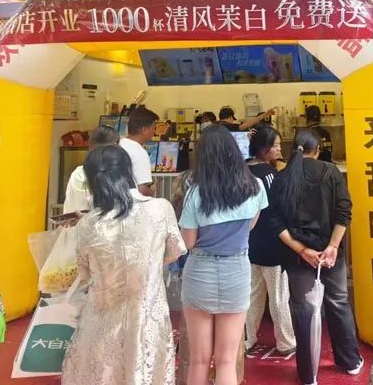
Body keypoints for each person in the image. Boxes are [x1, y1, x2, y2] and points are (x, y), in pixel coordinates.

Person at [62, 145, 186, 384]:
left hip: (100, 322)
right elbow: (174, 252)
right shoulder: (160, 208)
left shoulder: (88, 223)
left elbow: (84, 272)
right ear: (128, 171)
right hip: (147, 318)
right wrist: (147, 264)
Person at [268, 130, 362, 385]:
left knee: (304, 310)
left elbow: (274, 221)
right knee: (338, 302)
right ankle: (350, 362)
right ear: (318, 149)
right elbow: (344, 211)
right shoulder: (331, 172)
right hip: (331, 253)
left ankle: (308, 375)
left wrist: (301, 250)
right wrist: (333, 246)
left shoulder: (282, 177)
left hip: (298, 256)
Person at [179, 125, 268, 385]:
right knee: (227, 360)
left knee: (199, 359)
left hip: (200, 272)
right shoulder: (255, 187)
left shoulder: (195, 193)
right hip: (237, 271)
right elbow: (250, 226)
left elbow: (188, 242)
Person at [244, 126, 296, 355]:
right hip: (274, 243)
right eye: (275, 145)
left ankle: (248, 338)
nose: (279, 149)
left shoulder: (242, 171)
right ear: (264, 149)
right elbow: (280, 208)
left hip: (250, 243)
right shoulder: (270, 175)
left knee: (252, 294)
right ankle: (286, 342)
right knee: (278, 296)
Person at [63, 125, 119, 214]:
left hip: (78, 221)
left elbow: (72, 209)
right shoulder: (121, 172)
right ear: (116, 147)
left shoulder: (79, 173)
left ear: (89, 146)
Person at [120, 107, 159, 196]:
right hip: (131, 202)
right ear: (144, 130)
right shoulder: (140, 153)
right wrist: (152, 190)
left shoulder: (117, 144)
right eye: (153, 128)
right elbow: (142, 191)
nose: (154, 132)